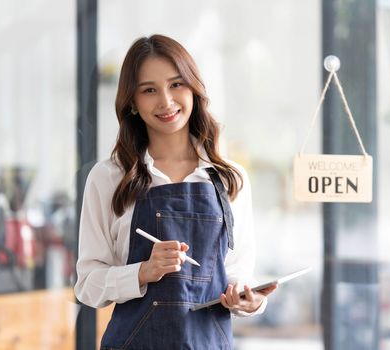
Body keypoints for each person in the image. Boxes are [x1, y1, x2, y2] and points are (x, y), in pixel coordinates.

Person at [74, 34, 276, 349]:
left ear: (194, 88)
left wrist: (250, 301)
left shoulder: (229, 179)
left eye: (176, 84)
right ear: (132, 102)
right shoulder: (109, 178)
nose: (166, 101)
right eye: (149, 90)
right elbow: (87, 285)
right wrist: (143, 271)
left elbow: (238, 275)